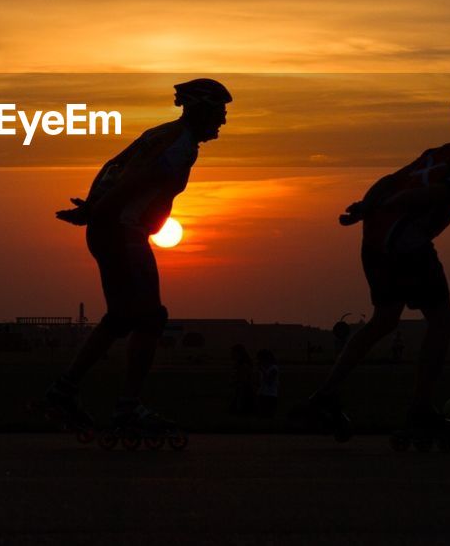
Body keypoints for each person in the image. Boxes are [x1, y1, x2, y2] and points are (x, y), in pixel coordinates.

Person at [294, 92, 450, 440]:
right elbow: (439, 193)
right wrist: (402, 202)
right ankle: (421, 410)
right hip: (407, 243)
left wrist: (366, 206)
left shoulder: (437, 153)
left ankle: (324, 396)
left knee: (384, 320)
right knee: (443, 321)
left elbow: (387, 180)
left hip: (376, 240)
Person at [38, 78, 232, 439]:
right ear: (201, 109)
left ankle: (63, 392)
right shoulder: (180, 146)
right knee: (150, 318)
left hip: (112, 227)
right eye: (219, 113)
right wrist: (97, 211)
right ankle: (128, 407)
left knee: (121, 318)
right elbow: (132, 183)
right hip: (122, 231)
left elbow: (113, 169)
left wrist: (93, 208)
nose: (223, 121)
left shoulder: (159, 134)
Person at [256, 349, 280, 417]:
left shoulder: (274, 368)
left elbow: (269, 381)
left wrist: (262, 370)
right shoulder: (264, 368)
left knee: (268, 415)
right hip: (262, 393)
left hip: (270, 395)